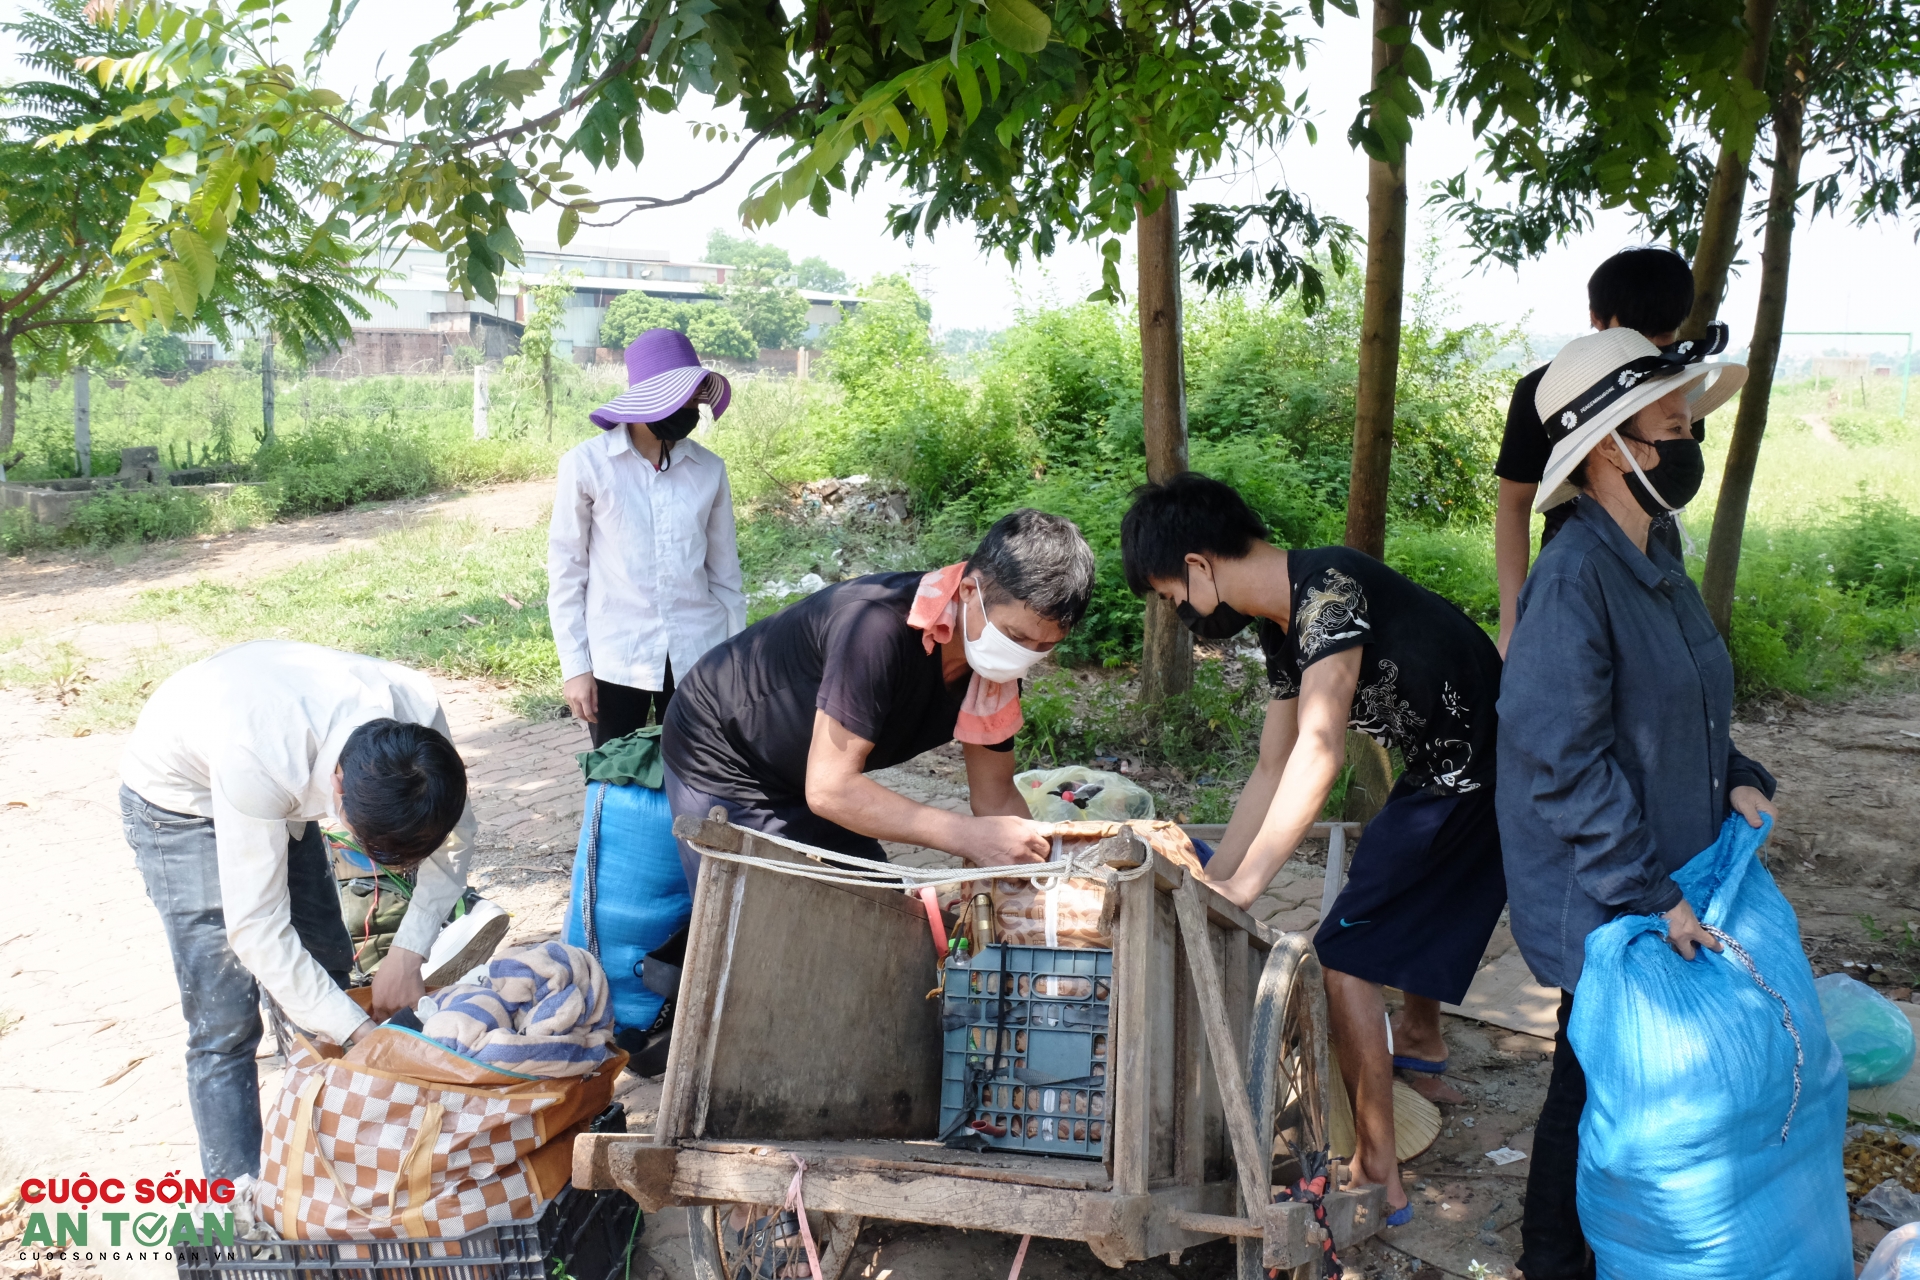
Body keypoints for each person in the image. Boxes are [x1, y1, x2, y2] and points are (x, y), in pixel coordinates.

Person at [1119, 474, 1506, 1226]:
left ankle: (1378, 1174)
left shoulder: (1328, 589)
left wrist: (1246, 884)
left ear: (1199, 566)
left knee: (1345, 956)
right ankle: (1416, 1066)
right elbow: (1274, 762)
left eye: (1170, 593)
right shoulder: (1281, 621)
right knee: (1372, 908)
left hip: (1482, 772)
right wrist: (1215, 880)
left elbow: (1321, 749)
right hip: (1443, 771)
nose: (1176, 610)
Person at [1497, 328, 1772, 1280]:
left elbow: (1679, 698)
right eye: (1668, 427)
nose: (1686, 443)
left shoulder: (1655, 545)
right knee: (1588, 1080)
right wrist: (1653, 894)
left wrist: (1738, 772)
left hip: (1659, 869)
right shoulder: (1572, 580)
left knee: (1614, 1080)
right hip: (1602, 894)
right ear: (1609, 448)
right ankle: (1553, 1261)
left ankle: (1602, 1248)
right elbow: (1563, 763)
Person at [119, 640, 477, 1180]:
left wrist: (408, 953)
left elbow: (456, 838)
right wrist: (361, 1037)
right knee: (226, 1021)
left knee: (328, 973)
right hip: (180, 799)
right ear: (339, 790)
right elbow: (257, 926)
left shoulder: (417, 723)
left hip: (278, 773)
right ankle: (238, 1202)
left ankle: (324, 1164)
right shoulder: (262, 755)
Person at [660, 508, 1094, 881]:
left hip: (810, 771)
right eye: (1017, 636)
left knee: (873, 905)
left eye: (1044, 646)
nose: (1023, 657)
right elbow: (831, 789)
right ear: (968, 591)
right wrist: (967, 836)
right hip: (725, 752)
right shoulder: (874, 628)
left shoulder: (994, 668)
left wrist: (1045, 869)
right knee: (758, 924)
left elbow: (995, 796)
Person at [1494, 247, 1717, 656]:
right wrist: (1512, 621)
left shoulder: (1679, 385)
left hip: (1658, 561)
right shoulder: (1548, 396)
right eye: (1643, 336)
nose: (1654, 356)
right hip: (1577, 570)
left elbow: (1673, 478)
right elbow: (1514, 504)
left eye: (1665, 337)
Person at [549, 328, 746, 748]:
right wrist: (575, 667)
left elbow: (726, 575)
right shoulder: (587, 466)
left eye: (696, 398)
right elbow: (567, 571)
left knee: (697, 774)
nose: (692, 409)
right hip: (617, 655)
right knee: (616, 778)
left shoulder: (709, 470)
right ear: (645, 399)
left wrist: (733, 661)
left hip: (697, 651)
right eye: (682, 397)